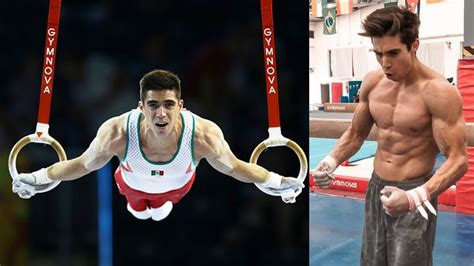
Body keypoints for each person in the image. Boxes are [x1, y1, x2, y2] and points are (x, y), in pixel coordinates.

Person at [12, 69, 304, 221]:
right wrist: (36, 178)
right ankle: (141, 206)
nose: (161, 113)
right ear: (141, 107)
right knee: (137, 208)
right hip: (130, 184)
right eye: (153, 105)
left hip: (178, 187)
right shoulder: (116, 133)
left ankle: (161, 204)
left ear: (181, 105)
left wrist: (280, 182)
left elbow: (237, 168)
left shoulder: (202, 135)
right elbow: (80, 165)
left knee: (163, 205)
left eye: (168, 104)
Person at [311, 6, 467, 266]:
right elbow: (355, 133)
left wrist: (414, 197)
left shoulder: (438, 92)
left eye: (393, 53)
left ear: (414, 45)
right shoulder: (373, 83)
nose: (385, 63)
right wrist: (331, 161)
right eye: (378, 54)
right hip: (376, 188)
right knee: (372, 261)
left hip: (415, 191)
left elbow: (458, 160)